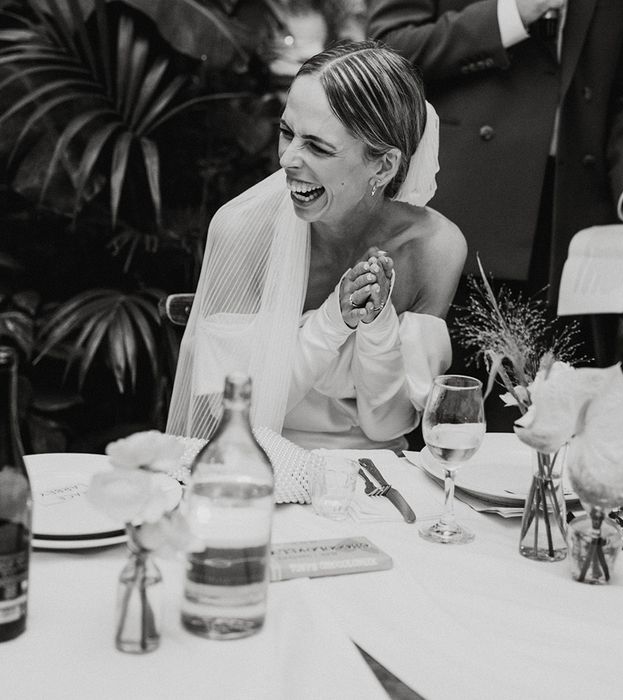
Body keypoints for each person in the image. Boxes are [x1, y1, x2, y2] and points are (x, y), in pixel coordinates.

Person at [166, 41, 466, 451]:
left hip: (377, 477)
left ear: (384, 165)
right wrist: (333, 321)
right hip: (260, 464)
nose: (288, 159)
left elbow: (391, 424)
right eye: (286, 133)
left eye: (318, 146)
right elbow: (234, 416)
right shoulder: (242, 230)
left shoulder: (434, 248)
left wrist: (378, 326)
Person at [368, 0, 623, 308]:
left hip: (575, 224)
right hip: (468, 213)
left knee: (573, 357)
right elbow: (387, 50)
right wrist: (510, 15)